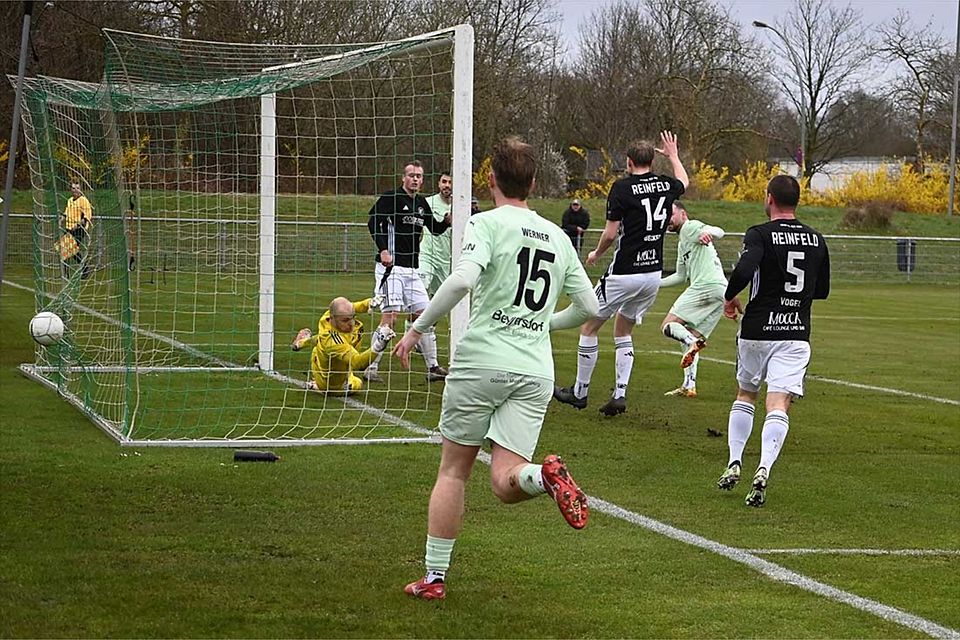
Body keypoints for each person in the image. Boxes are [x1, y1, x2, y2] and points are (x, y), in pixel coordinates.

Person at [393, 137, 599, 600]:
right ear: (533, 182)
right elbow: (588, 305)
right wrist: (544, 322)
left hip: (483, 361)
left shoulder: (485, 223)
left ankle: (434, 579)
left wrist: (416, 328)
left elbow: (462, 279)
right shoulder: (559, 235)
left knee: (453, 472)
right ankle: (543, 477)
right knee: (508, 482)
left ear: (491, 180)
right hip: (534, 371)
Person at [554, 131, 688, 416]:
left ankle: (579, 392)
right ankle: (620, 393)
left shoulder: (622, 188)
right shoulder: (665, 184)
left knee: (589, 326)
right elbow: (684, 183)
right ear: (653, 161)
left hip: (625, 272)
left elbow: (611, 233)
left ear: (628, 162)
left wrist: (596, 254)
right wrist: (674, 155)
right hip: (653, 272)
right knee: (623, 329)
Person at [717, 175, 830, 507]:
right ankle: (764, 467)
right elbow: (821, 290)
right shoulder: (816, 238)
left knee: (746, 393)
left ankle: (735, 460)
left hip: (756, 331)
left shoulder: (759, 234)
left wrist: (729, 296)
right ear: (796, 202)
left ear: (769, 198)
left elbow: (744, 269)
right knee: (778, 403)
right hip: (795, 333)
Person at [367, 161, 451, 383]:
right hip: (391, 267)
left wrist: (447, 221)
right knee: (391, 317)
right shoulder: (391, 198)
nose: (415, 179)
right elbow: (373, 222)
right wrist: (383, 250)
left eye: (419, 176)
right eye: (412, 175)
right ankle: (370, 365)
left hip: (412, 269)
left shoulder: (421, 203)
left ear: (423, 180)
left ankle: (432, 367)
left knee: (425, 316)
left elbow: (434, 228)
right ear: (403, 178)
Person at [659, 201, 727, 398]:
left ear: (683, 213)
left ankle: (692, 342)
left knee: (667, 325)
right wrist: (656, 283)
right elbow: (680, 276)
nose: (668, 219)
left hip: (705, 286)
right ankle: (689, 385)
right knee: (688, 335)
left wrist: (709, 233)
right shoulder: (683, 242)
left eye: (671, 214)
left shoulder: (690, 227)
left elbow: (719, 231)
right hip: (720, 291)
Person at [291, 295, 395, 393]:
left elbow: (353, 307)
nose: (351, 323)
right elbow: (358, 363)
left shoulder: (328, 317)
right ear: (332, 319)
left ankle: (301, 342)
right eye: (345, 320)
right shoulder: (333, 341)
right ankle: (316, 385)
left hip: (339, 365)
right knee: (357, 384)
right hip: (332, 384)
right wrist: (378, 345)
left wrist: (369, 303)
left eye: (353, 317)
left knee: (319, 340)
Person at [419, 171, 453, 296]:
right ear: (439, 184)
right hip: (427, 255)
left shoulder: (462, 207)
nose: (447, 185)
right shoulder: (428, 202)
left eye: (450, 182)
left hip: (447, 261)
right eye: (444, 182)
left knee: (444, 300)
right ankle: (412, 316)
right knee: (419, 293)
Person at [60, 182, 93, 279]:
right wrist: (62, 218)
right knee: (65, 250)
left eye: (77, 188)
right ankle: (66, 273)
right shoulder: (70, 200)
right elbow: (66, 212)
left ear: (80, 189)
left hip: (79, 229)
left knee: (71, 250)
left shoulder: (83, 200)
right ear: (71, 190)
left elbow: (87, 215)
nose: (75, 190)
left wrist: (79, 224)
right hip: (69, 228)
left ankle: (84, 269)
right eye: (73, 188)